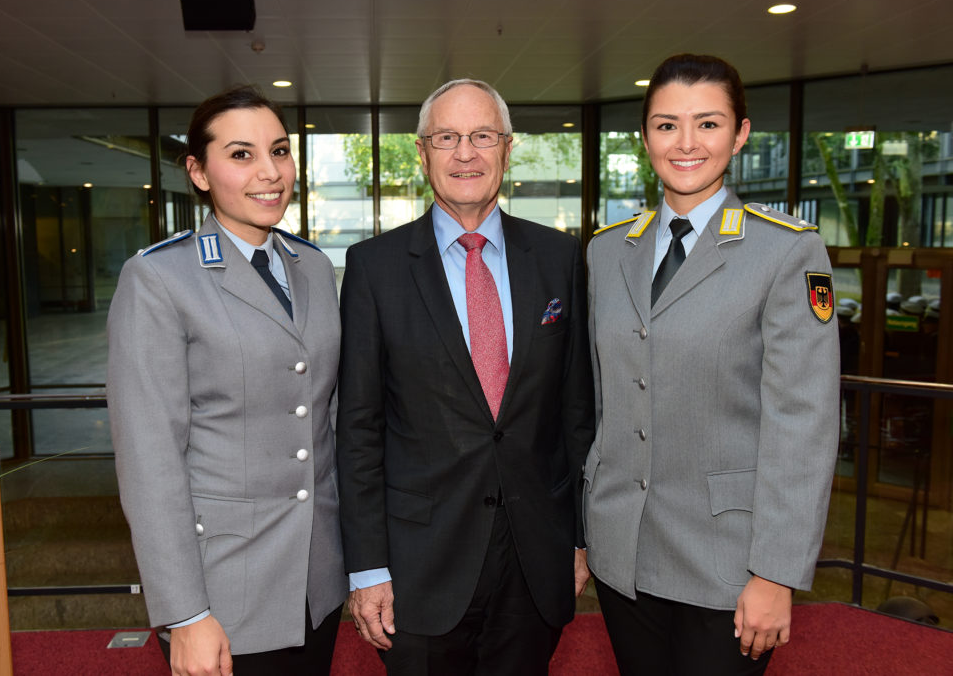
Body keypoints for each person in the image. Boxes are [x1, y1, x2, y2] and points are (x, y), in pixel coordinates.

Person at [583, 54, 839, 675]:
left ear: (741, 133)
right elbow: (597, 403)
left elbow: (802, 424)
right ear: (645, 138)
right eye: (667, 125)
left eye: (709, 123)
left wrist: (775, 573)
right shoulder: (607, 251)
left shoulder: (786, 252)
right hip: (623, 552)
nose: (687, 143)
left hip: (729, 561)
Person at [336, 78, 595, 676]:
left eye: (482, 136)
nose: (465, 153)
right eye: (447, 137)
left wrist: (581, 539)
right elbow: (358, 429)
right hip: (419, 566)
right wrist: (368, 569)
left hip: (535, 558)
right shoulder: (374, 269)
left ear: (508, 148)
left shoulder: (559, 259)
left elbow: (575, 413)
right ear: (422, 152)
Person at [107, 85, 346, 676]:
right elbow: (150, 461)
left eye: (280, 151)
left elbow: (328, 418)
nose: (270, 173)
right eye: (241, 155)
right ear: (199, 171)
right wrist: (185, 614)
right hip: (222, 591)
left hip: (317, 581)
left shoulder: (312, 266)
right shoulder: (160, 278)